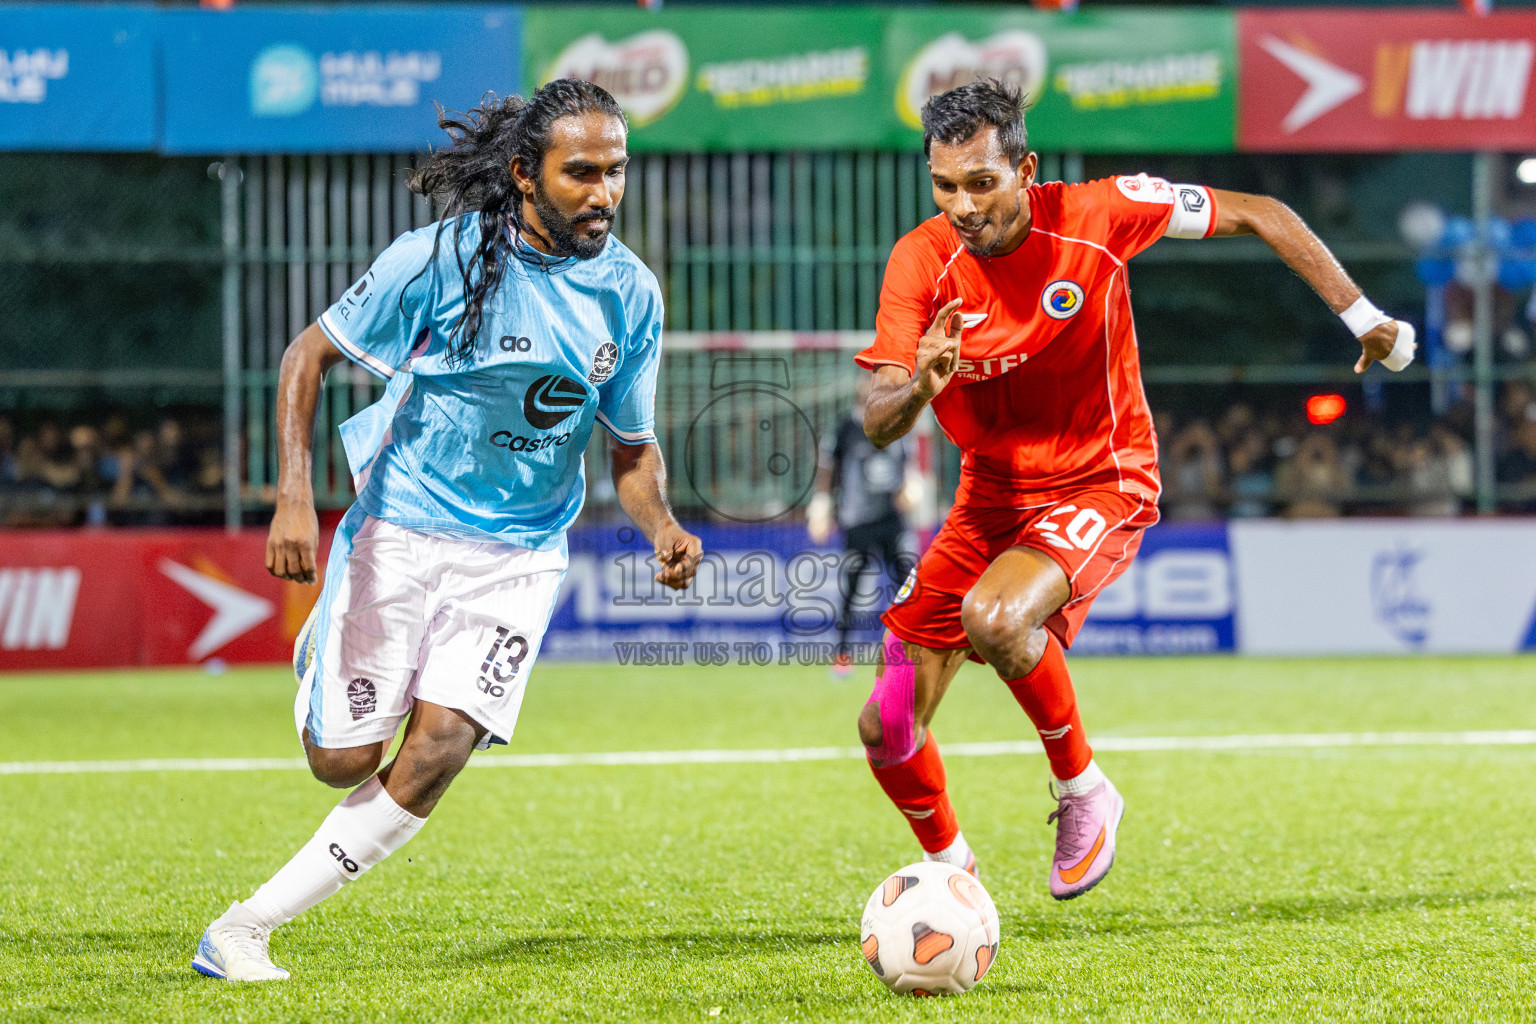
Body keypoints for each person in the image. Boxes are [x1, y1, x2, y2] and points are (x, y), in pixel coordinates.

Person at [192, 80, 702, 982]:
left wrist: (661, 523)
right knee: (342, 758)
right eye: (581, 173)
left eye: (616, 171)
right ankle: (325, 653)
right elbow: (307, 355)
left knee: (439, 749)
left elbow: (630, 446)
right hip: (401, 527)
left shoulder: (631, 292)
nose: (605, 193)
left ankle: (244, 928)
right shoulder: (439, 258)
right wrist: (295, 495)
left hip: (521, 555)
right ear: (525, 174)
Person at [854, 80, 1413, 898]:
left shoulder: (1100, 213)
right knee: (887, 725)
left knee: (997, 617)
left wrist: (1363, 316)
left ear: (1026, 171)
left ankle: (1083, 787)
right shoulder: (920, 261)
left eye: (981, 183)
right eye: (945, 186)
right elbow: (878, 417)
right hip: (989, 499)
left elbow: (1261, 212)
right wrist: (918, 388)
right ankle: (952, 878)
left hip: (1100, 478)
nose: (963, 206)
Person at [807, 373, 917, 677]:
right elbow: (827, 468)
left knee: (906, 585)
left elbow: (905, 464)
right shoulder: (845, 428)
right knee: (852, 588)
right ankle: (842, 654)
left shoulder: (897, 426)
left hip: (891, 518)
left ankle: (914, 648)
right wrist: (821, 504)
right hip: (857, 521)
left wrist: (911, 485)